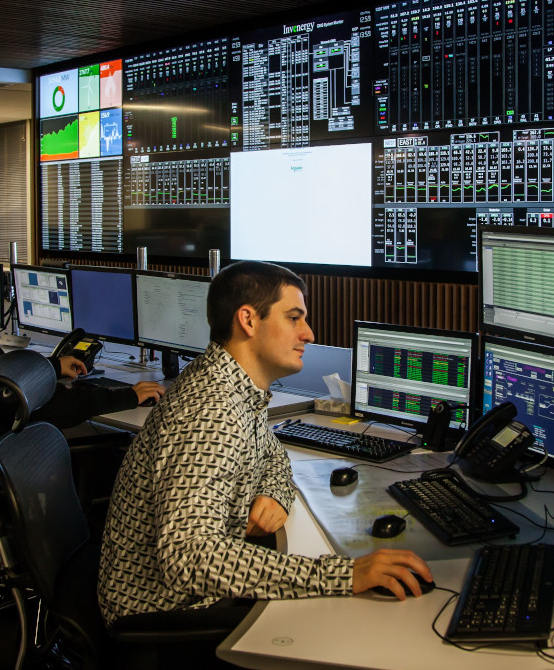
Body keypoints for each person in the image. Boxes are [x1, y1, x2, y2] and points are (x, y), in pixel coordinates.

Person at [98, 260, 432, 629]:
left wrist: (274, 493)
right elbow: (188, 561)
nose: (308, 332)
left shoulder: (235, 385)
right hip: (167, 620)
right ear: (248, 320)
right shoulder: (211, 412)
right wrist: (343, 576)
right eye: (294, 317)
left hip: (192, 597)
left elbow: (274, 455)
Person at [0, 252, 163, 430]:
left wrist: (53, 367)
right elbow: (47, 405)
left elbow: (10, 378)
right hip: (4, 450)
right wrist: (127, 395)